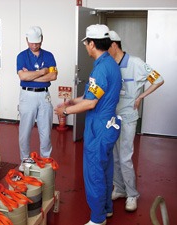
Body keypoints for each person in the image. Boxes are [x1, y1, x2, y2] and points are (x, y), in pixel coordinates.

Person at [55, 24, 122, 225]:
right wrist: (74, 101)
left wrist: (64, 111)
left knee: (94, 172)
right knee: (105, 168)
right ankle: (107, 209)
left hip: (99, 126)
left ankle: (98, 218)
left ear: (91, 43)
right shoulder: (110, 64)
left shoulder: (100, 69)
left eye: (86, 43)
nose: (86, 46)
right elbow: (91, 96)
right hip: (110, 124)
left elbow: (92, 103)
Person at [108, 31, 164, 212]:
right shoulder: (109, 64)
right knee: (115, 156)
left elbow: (159, 79)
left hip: (128, 117)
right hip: (112, 117)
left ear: (114, 45)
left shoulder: (136, 63)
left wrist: (141, 96)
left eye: (105, 46)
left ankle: (132, 194)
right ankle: (120, 189)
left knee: (124, 157)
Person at [16, 26, 58, 171]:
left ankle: (45, 161)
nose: (34, 45)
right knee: (25, 131)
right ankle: (25, 161)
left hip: (44, 95)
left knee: (46, 131)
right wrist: (42, 72)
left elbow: (53, 76)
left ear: (42, 39)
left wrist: (31, 75)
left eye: (37, 42)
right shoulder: (21, 56)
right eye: (31, 42)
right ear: (27, 40)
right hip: (27, 96)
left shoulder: (49, 56)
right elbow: (22, 77)